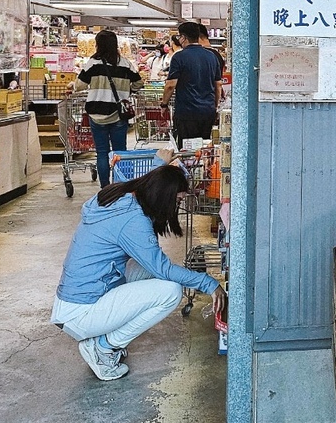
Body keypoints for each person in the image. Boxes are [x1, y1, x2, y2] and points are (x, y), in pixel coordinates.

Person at [51, 149, 226, 381]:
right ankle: (104, 347)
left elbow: (148, 184)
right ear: (165, 196)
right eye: (178, 199)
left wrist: (159, 164)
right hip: (80, 312)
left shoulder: (118, 195)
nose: (178, 206)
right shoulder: (135, 221)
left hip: (75, 298)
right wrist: (209, 283)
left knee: (147, 270)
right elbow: (163, 269)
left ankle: (101, 338)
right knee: (170, 291)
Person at [75, 30, 144, 187]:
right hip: (118, 114)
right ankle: (123, 186)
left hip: (96, 113)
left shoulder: (93, 63)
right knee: (121, 152)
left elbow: (79, 85)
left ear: (98, 44)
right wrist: (126, 90)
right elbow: (139, 83)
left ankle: (105, 187)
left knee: (102, 153)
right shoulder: (125, 63)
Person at [161, 22, 221, 148]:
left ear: (183, 37)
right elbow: (218, 85)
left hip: (187, 112)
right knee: (203, 148)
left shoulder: (179, 57)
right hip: (207, 111)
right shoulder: (212, 56)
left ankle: (189, 168)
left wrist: (164, 104)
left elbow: (170, 85)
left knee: (187, 149)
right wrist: (214, 106)